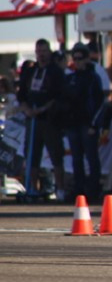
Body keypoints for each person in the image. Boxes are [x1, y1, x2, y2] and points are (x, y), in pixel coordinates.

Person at [16, 40, 66, 199]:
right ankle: (32, 188)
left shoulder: (56, 72)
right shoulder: (31, 72)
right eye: (39, 52)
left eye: (44, 51)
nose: (41, 55)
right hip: (32, 120)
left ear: (49, 52)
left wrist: (42, 109)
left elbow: (59, 95)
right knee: (32, 154)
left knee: (56, 155)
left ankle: (60, 189)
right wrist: (27, 110)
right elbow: (22, 94)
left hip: (50, 120)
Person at [61, 43, 105, 202]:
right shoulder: (70, 78)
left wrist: (94, 125)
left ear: (87, 59)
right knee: (76, 159)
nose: (78, 62)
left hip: (88, 124)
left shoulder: (93, 77)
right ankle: (79, 190)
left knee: (92, 157)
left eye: (80, 58)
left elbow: (100, 103)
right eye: (75, 58)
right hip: (73, 124)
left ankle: (94, 189)